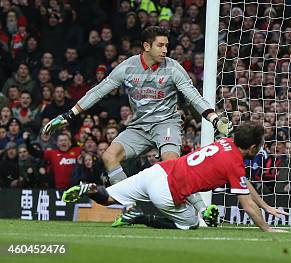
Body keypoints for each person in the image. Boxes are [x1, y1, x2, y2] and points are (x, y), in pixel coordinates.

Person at [41, 26, 232, 224]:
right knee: (109, 157)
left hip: (166, 123)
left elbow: (193, 96)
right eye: (160, 45)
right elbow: (99, 91)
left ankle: (203, 209)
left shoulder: (173, 67)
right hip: (139, 126)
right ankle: (131, 209)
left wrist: (214, 119)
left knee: (170, 164)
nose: (165, 50)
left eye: (166, 45)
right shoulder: (128, 67)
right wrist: (70, 114)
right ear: (147, 46)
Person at [62, 122, 289, 232]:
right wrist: (266, 228)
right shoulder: (235, 164)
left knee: (107, 198)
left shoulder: (225, 142)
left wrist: (266, 206)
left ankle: (89, 188)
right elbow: (247, 205)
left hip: (159, 170)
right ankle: (139, 217)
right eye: (258, 146)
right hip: (167, 191)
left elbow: (243, 183)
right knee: (190, 225)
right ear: (251, 147)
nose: (260, 149)